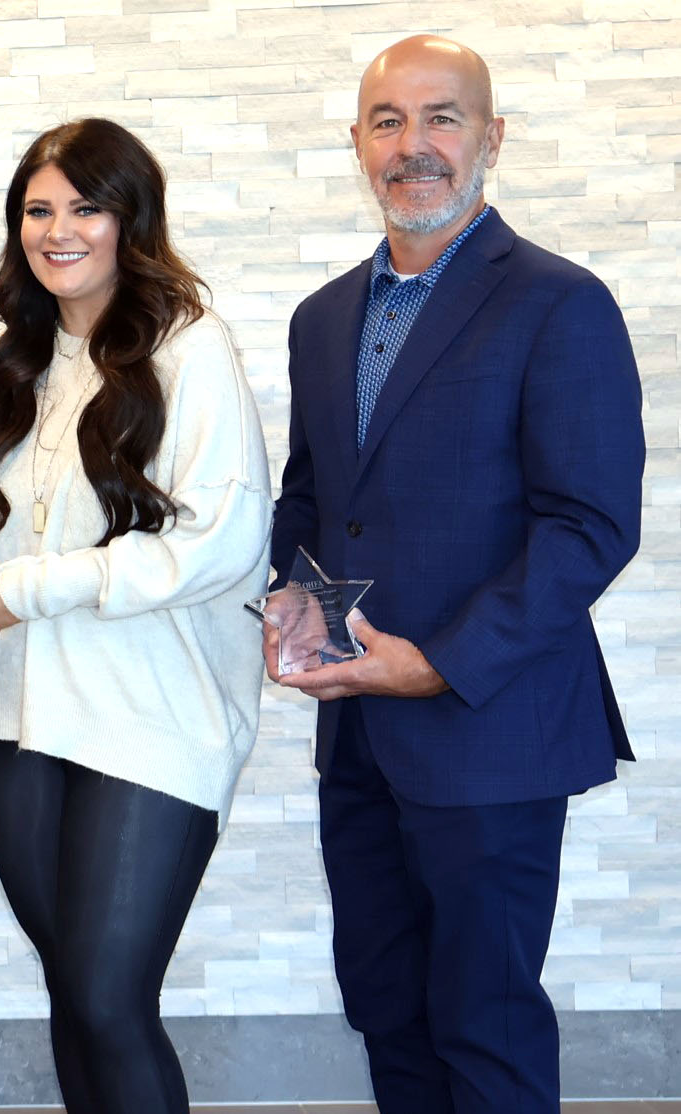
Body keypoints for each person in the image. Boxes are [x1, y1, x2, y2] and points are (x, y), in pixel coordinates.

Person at [266, 35, 643, 1113]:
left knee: (484, 1020)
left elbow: (588, 523)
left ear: (490, 138)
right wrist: (294, 605)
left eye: (441, 118)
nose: (413, 145)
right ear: (355, 144)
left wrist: (439, 662)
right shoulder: (322, 317)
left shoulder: (557, 303)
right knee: (386, 1006)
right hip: (359, 737)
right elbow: (313, 496)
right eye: (386, 121)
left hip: (494, 728)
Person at [0, 119, 273, 1114]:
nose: (57, 228)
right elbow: (2, 541)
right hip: (17, 718)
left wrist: (18, 592)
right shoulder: (23, 365)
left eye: (85, 205)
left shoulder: (189, 348)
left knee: (109, 997)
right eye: (37, 209)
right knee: (72, 997)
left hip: (150, 717)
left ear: (132, 219)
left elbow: (220, 546)